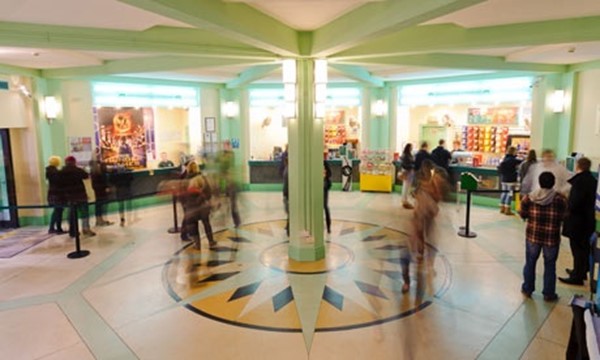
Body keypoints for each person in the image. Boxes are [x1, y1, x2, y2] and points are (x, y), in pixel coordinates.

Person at [520, 172, 568, 301]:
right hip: (551, 237)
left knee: (530, 262)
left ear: (540, 182)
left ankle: (527, 289)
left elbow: (523, 214)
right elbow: (564, 216)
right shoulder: (559, 199)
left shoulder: (529, 197)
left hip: (533, 236)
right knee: (550, 265)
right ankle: (548, 293)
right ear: (553, 183)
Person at [559, 157, 598, 286]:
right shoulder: (593, 181)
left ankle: (577, 276)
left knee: (577, 248)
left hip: (577, 222)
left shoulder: (579, 182)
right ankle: (580, 270)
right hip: (588, 221)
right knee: (584, 247)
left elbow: (575, 203)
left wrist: (567, 203)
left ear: (578, 166)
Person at [411, 159, 447, 260]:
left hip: (427, 209)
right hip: (422, 208)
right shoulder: (422, 178)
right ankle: (421, 250)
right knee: (420, 230)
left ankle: (425, 253)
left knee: (426, 231)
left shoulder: (434, 179)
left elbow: (437, 194)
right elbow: (416, 191)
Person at [60, 156, 95, 237]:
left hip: (69, 196)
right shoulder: (78, 170)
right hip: (80, 194)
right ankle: (86, 229)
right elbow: (86, 176)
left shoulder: (62, 171)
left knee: (71, 214)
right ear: (74, 162)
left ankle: (73, 231)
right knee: (84, 213)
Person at [185, 165, 215, 250]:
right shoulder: (202, 178)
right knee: (206, 223)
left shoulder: (185, 180)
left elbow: (183, 194)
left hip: (191, 207)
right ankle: (211, 241)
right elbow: (208, 192)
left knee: (193, 225)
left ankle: (197, 244)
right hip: (202, 206)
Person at [217, 140, 241, 228]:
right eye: (224, 145)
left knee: (233, 204)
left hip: (231, 183)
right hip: (223, 182)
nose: (225, 147)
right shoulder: (222, 154)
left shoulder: (231, 155)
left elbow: (227, 162)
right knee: (222, 201)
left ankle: (237, 221)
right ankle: (222, 220)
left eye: (226, 145)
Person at [497, 146, 523, 215]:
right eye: (516, 151)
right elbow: (523, 162)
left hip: (504, 179)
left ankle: (502, 208)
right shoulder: (513, 160)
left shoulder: (504, 158)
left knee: (504, 193)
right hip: (511, 180)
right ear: (513, 152)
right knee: (509, 194)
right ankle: (507, 209)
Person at [90, 158, 114, 227]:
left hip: (98, 191)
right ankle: (100, 220)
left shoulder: (94, 172)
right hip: (101, 191)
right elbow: (102, 181)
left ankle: (99, 220)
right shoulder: (98, 173)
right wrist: (106, 187)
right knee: (100, 205)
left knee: (99, 205)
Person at [46, 156, 65, 234]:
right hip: (57, 194)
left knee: (56, 210)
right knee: (58, 211)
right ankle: (58, 228)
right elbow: (60, 182)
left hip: (52, 193)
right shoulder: (55, 172)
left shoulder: (49, 171)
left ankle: (52, 227)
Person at [399, 143, 415, 209]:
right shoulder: (406, 155)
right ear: (408, 147)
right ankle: (404, 200)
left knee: (406, 186)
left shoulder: (407, 154)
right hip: (407, 172)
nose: (412, 148)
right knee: (406, 186)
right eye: (411, 147)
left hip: (408, 172)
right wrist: (412, 166)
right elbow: (405, 164)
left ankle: (405, 200)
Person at [324, 161, 332, 234]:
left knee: (325, 207)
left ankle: (328, 226)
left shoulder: (325, 163)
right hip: (323, 186)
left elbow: (329, 174)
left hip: (324, 187)